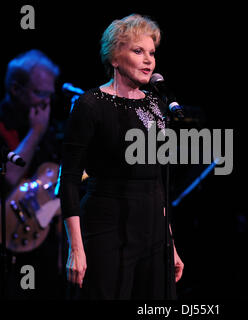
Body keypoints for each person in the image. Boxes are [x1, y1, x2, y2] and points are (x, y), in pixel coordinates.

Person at [60, 14, 184, 300]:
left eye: (151, 53)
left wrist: (171, 243)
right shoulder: (90, 104)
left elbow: (157, 181)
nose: (148, 60)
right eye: (138, 51)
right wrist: (76, 249)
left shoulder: (157, 105)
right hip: (107, 230)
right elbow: (68, 181)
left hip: (154, 234)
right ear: (115, 57)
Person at [0, 49, 63, 299]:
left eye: (50, 94)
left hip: (42, 248)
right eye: (40, 93)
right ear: (16, 89)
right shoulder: (5, 125)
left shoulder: (52, 131)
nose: (46, 103)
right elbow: (7, 178)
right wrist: (35, 132)